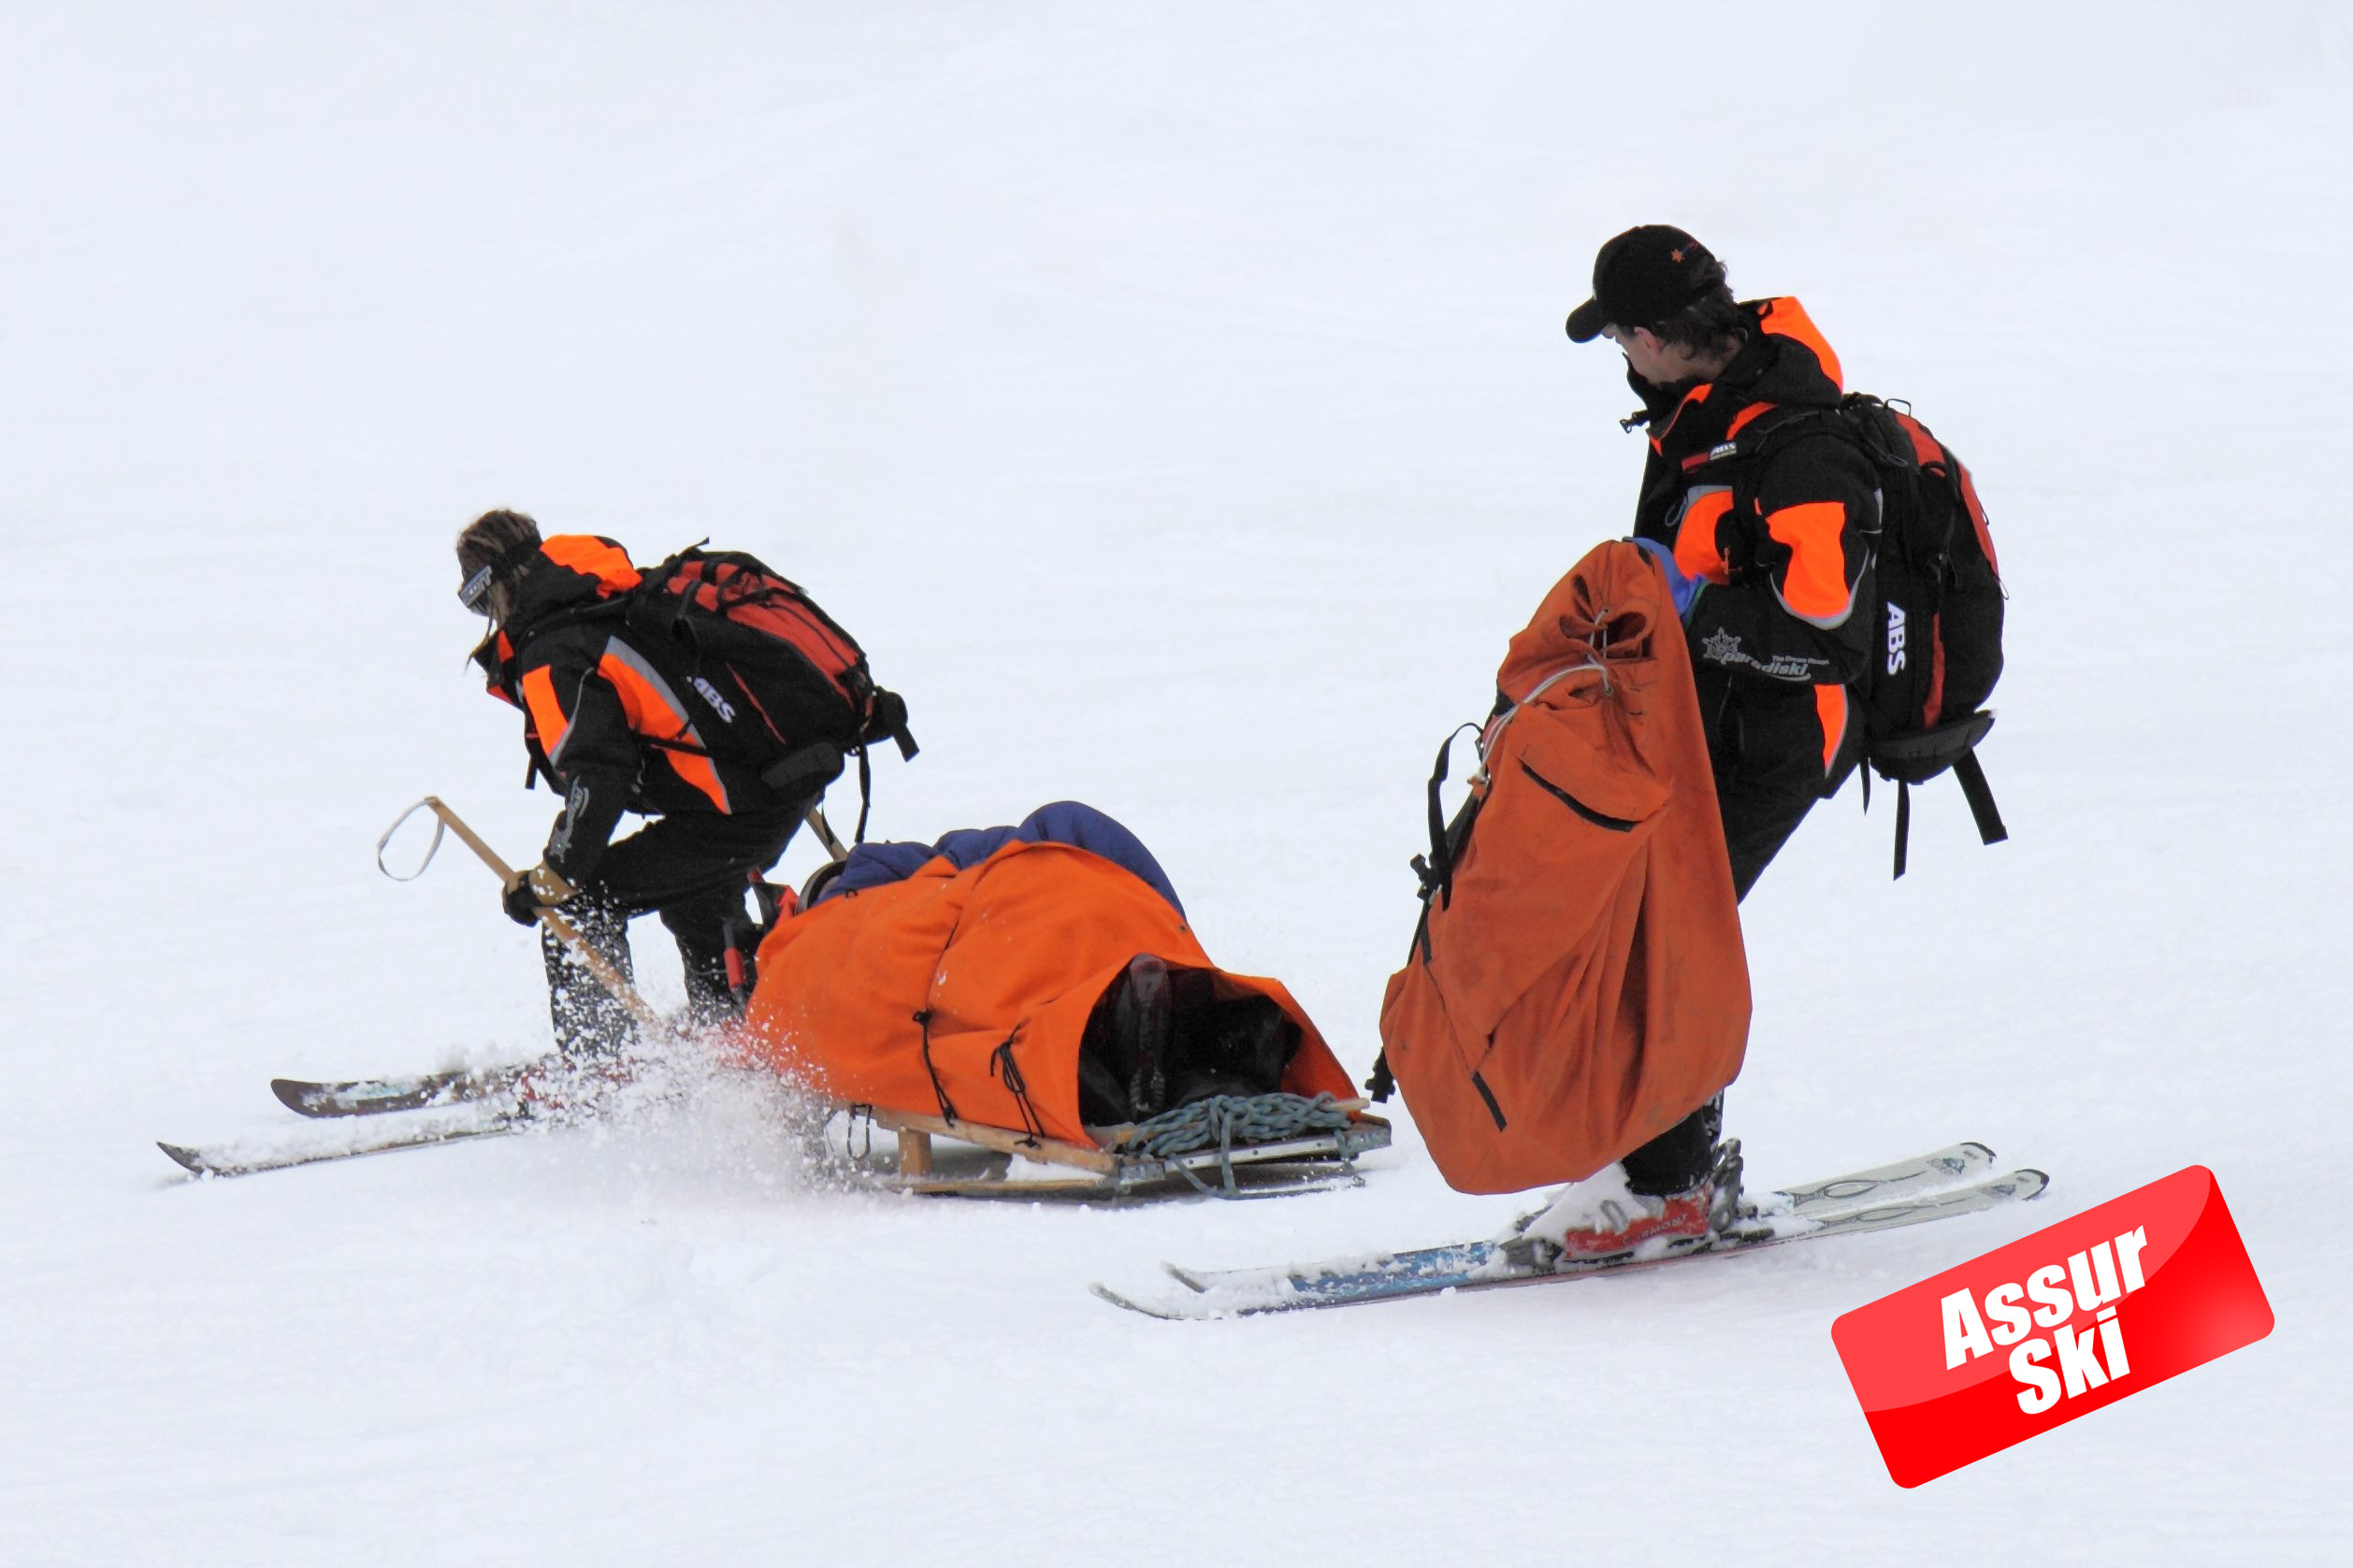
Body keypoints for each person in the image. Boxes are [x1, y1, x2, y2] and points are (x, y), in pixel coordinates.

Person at [1516, 225, 1879, 1257]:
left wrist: (1688, 618)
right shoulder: (1693, 417)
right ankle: (1659, 1171)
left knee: (1671, 938)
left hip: (1779, 734)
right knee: (1651, 926)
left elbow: (1825, 635)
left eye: (1621, 339)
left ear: (1655, 335)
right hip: (1703, 722)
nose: (1621, 361)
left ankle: (1664, 1188)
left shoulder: (1795, 441)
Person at [456, 509, 820, 1059]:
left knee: (580, 903)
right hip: (768, 789)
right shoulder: (613, 601)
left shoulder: (554, 650)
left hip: (738, 809)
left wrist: (554, 876)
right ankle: (732, 1031)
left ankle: (603, 1075)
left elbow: (599, 776)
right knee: (694, 895)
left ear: (494, 588)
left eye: (477, 601)